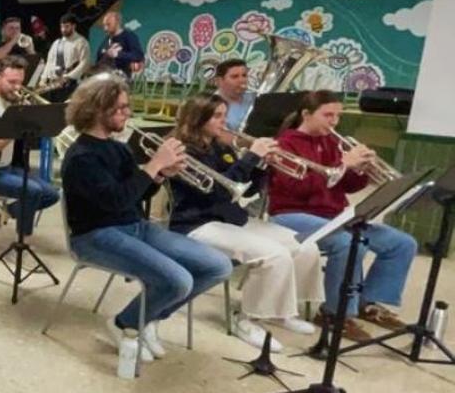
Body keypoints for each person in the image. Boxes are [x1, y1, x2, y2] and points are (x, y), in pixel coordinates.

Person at [61, 74, 233, 365]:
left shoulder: (117, 147)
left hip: (135, 226)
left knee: (218, 266)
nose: (128, 113)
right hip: (95, 235)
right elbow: (115, 201)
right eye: (121, 108)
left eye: (127, 106)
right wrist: (154, 165)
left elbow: (138, 193)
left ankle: (147, 318)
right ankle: (124, 323)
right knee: (178, 281)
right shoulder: (81, 156)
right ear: (96, 110)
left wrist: (163, 173)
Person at [168, 93, 323, 351]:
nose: (224, 122)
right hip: (197, 223)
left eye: (224, 115)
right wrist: (250, 157)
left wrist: (263, 165)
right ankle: (247, 319)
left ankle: (282, 310)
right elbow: (216, 190)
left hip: (231, 218)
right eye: (217, 116)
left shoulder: (221, 147)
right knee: (275, 256)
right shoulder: (183, 149)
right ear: (198, 118)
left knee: (305, 246)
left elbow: (246, 191)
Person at [268, 90, 415, 342]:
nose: (334, 121)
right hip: (292, 213)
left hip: (335, 215)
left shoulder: (333, 142)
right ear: (306, 114)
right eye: (328, 115)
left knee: (402, 243)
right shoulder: (285, 142)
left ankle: (367, 303)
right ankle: (333, 313)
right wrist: (343, 165)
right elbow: (298, 189)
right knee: (348, 244)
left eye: (337, 115)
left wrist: (360, 169)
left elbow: (348, 187)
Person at [0, 57, 60, 236]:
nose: (17, 88)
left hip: (10, 167)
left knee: (52, 194)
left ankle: (0, 216)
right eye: (12, 82)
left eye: (20, 83)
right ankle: (23, 241)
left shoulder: (13, 105)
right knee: (32, 191)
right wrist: (16, 126)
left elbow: (27, 142)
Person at [41, 13, 91, 103]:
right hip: (53, 85)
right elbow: (49, 62)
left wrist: (68, 77)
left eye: (67, 26)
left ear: (74, 26)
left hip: (70, 85)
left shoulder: (81, 42)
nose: (63, 30)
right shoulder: (56, 43)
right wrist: (43, 78)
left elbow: (84, 63)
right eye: (62, 27)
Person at [95, 11, 144, 79]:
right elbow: (98, 59)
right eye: (104, 25)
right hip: (104, 79)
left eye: (108, 24)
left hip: (122, 79)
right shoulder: (106, 40)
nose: (105, 28)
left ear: (117, 23)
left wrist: (118, 55)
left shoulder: (129, 36)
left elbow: (138, 55)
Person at [213, 58, 256, 131]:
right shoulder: (211, 104)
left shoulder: (255, 98)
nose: (242, 80)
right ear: (219, 81)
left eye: (244, 75)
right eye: (235, 76)